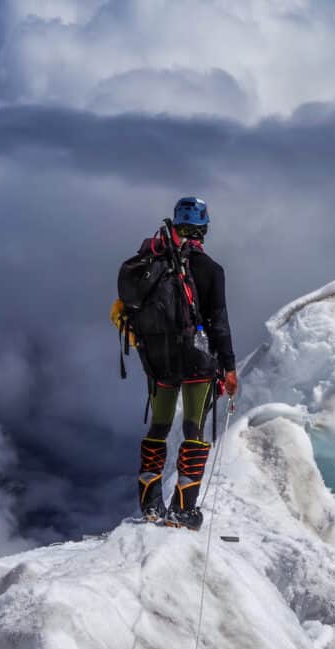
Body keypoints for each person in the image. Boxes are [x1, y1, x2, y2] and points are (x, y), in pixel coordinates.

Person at [111, 197, 238, 529]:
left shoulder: (148, 263)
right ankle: (183, 510)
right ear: (204, 230)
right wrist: (229, 367)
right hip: (195, 358)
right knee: (192, 428)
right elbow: (218, 324)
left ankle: (151, 505)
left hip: (157, 358)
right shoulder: (211, 270)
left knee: (159, 426)